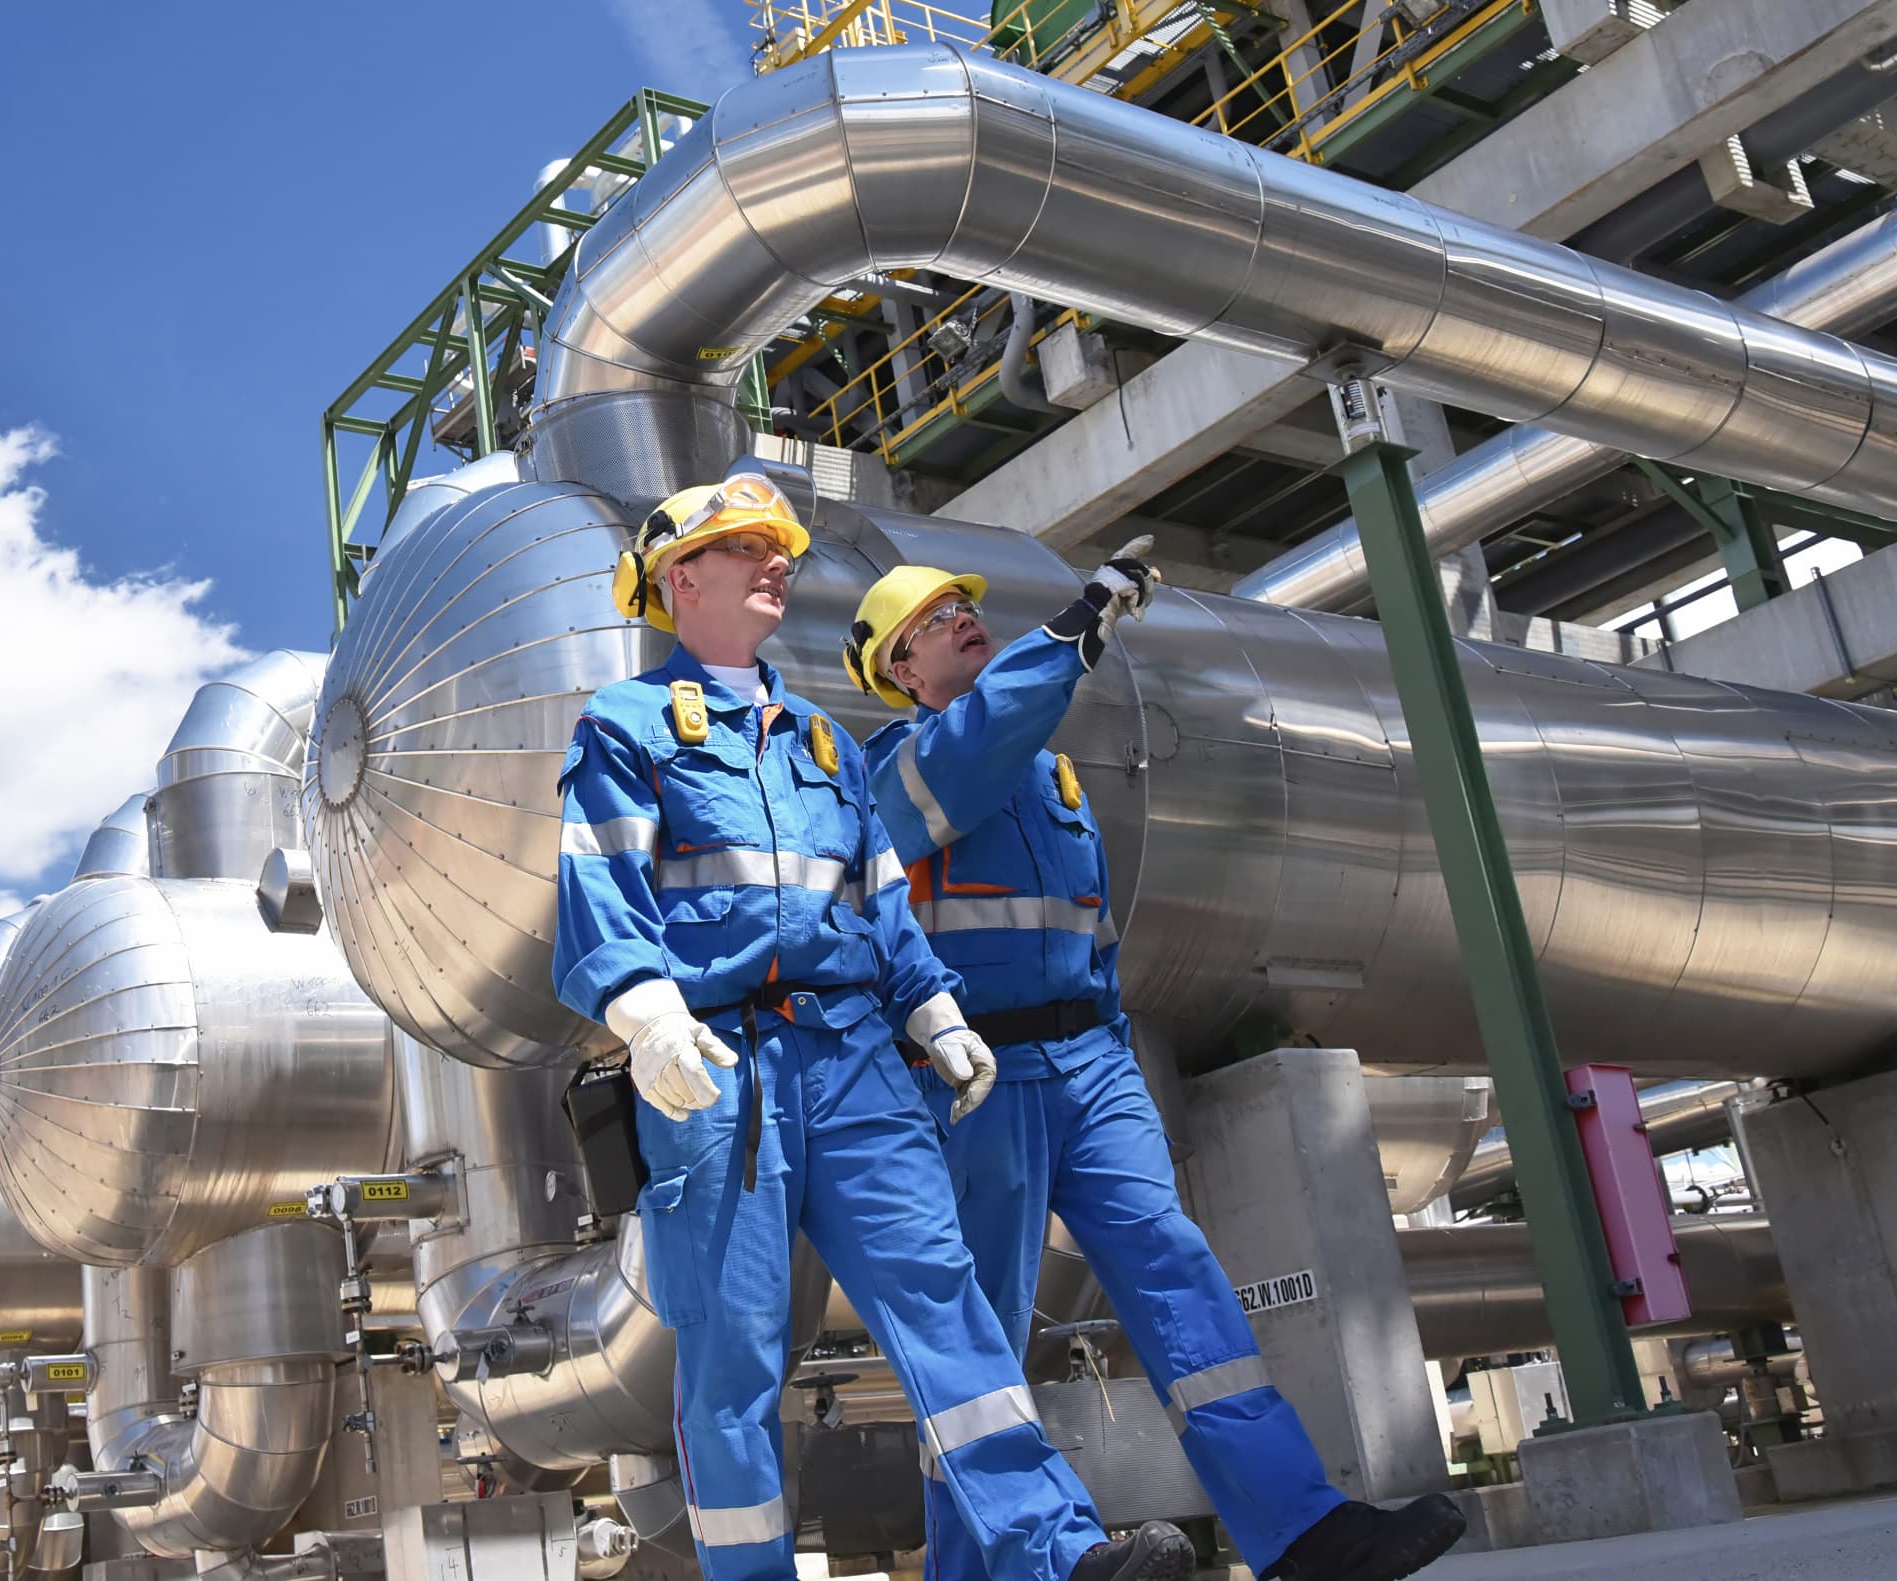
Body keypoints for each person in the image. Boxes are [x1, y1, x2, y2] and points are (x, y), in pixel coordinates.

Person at [554, 474, 1197, 1581]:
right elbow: (601, 888)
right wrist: (648, 1012)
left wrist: (934, 1008)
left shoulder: (822, 740)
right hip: (716, 1068)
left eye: (780, 547)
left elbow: (880, 898)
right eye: (749, 546)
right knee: (734, 1357)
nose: (777, 563)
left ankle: (1054, 1553)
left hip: (855, 1058)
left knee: (943, 1300)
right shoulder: (626, 727)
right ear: (679, 579)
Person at [844, 553, 1470, 1581]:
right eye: (935, 618)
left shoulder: (1049, 771)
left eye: (966, 605)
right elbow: (978, 745)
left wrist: (1109, 1032)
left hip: (1091, 1063)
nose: (963, 620)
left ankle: (1301, 1529)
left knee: (1178, 1276)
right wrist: (1076, 627)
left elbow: (1083, 922)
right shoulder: (901, 768)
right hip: (976, 1077)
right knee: (980, 1337)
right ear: (899, 669)